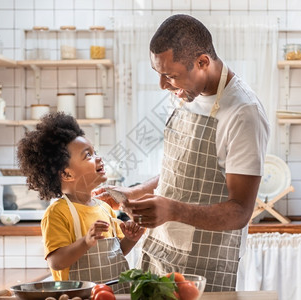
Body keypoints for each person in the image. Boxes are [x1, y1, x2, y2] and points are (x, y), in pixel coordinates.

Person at [95, 14, 270, 292]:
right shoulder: (185, 94)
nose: (164, 85)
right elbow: (182, 169)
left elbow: (240, 211)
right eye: (160, 74)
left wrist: (173, 210)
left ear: (202, 62)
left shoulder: (243, 113)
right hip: (158, 251)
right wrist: (134, 193)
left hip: (205, 266)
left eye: (171, 76)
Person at [17, 112, 145, 292]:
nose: (98, 158)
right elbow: (56, 262)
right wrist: (85, 242)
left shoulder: (104, 207)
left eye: (95, 152)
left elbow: (115, 255)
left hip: (115, 295)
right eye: (88, 155)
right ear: (67, 174)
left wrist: (130, 240)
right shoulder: (57, 213)